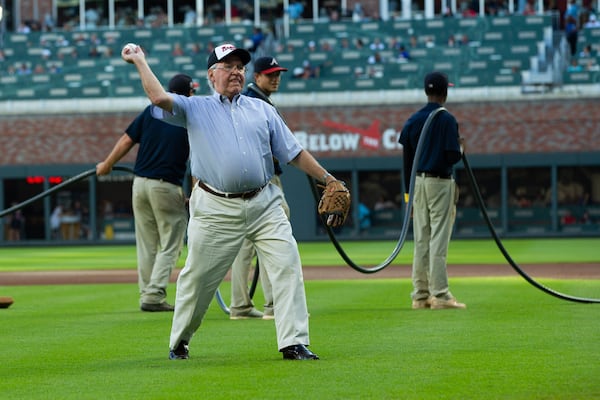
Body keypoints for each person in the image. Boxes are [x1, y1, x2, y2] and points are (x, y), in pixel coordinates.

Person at [121, 42, 347, 360]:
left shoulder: (262, 110)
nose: (236, 72)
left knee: (287, 263)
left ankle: (294, 341)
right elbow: (158, 98)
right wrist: (141, 61)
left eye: (240, 67)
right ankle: (179, 340)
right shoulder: (195, 107)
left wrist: (330, 179)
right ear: (212, 75)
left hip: (264, 203)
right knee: (198, 278)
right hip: (215, 206)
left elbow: (293, 152)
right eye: (228, 66)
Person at [96, 73, 196, 312]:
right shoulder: (190, 117)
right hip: (166, 184)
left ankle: (146, 293)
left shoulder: (151, 111)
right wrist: (195, 191)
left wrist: (107, 164)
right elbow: (198, 160)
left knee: (147, 244)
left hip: (139, 184)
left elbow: (126, 141)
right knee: (171, 243)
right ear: (190, 93)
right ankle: (154, 294)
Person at [227, 56, 291, 320]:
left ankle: (240, 305)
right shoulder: (256, 102)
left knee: (244, 245)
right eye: (269, 74)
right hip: (264, 181)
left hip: (245, 182)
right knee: (275, 239)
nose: (275, 78)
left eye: (277, 73)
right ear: (257, 77)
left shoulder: (249, 100)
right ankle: (274, 305)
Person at [398, 71, 466, 310]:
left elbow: (407, 159)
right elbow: (452, 155)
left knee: (421, 239)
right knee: (438, 238)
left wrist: (408, 194)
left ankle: (420, 295)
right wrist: (461, 147)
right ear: (445, 92)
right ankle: (441, 294)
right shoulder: (446, 119)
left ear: (427, 92)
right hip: (440, 182)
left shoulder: (414, 119)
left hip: (417, 184)